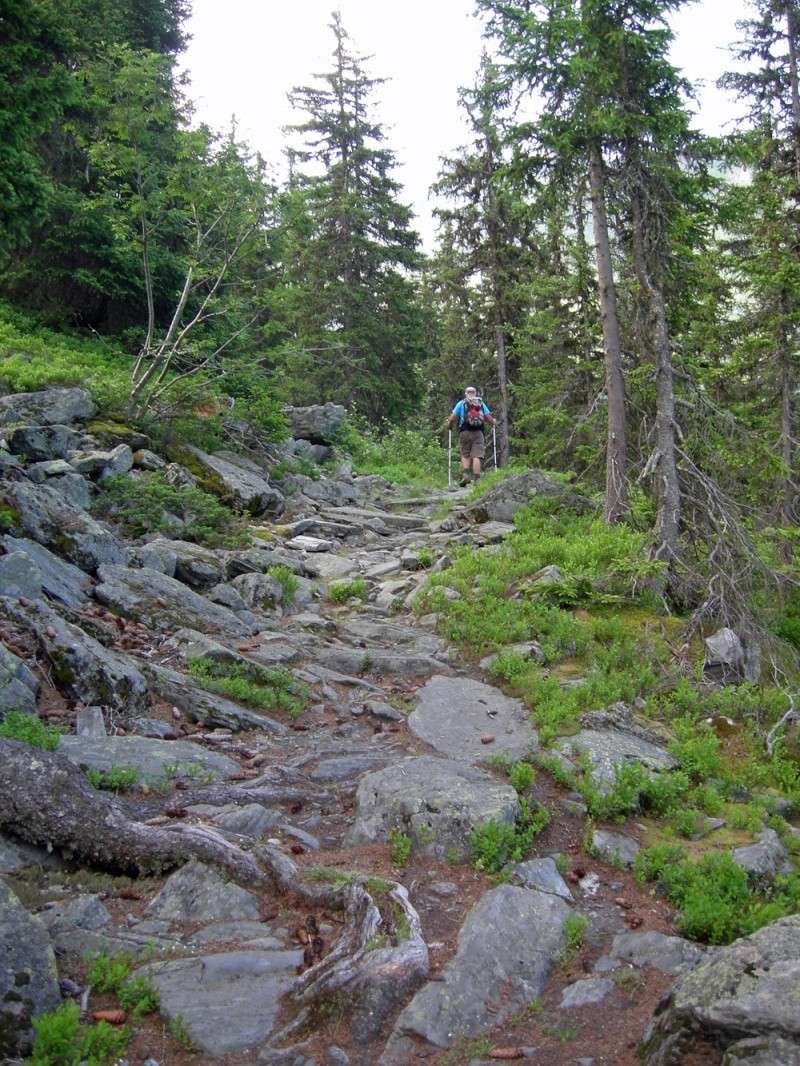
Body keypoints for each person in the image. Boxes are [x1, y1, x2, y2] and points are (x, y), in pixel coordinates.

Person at [446, 386, 495, 486]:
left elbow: (452, 418)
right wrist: (494, 422)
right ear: (475, 393)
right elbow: (488, 418)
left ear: (466, 393)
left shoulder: (461, 403)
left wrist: (450, 426)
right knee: (477, 455)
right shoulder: (480, 403)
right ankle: (477, 479)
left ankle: (466, 475)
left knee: (465, 454)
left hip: (464, 431)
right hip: (478, 432)